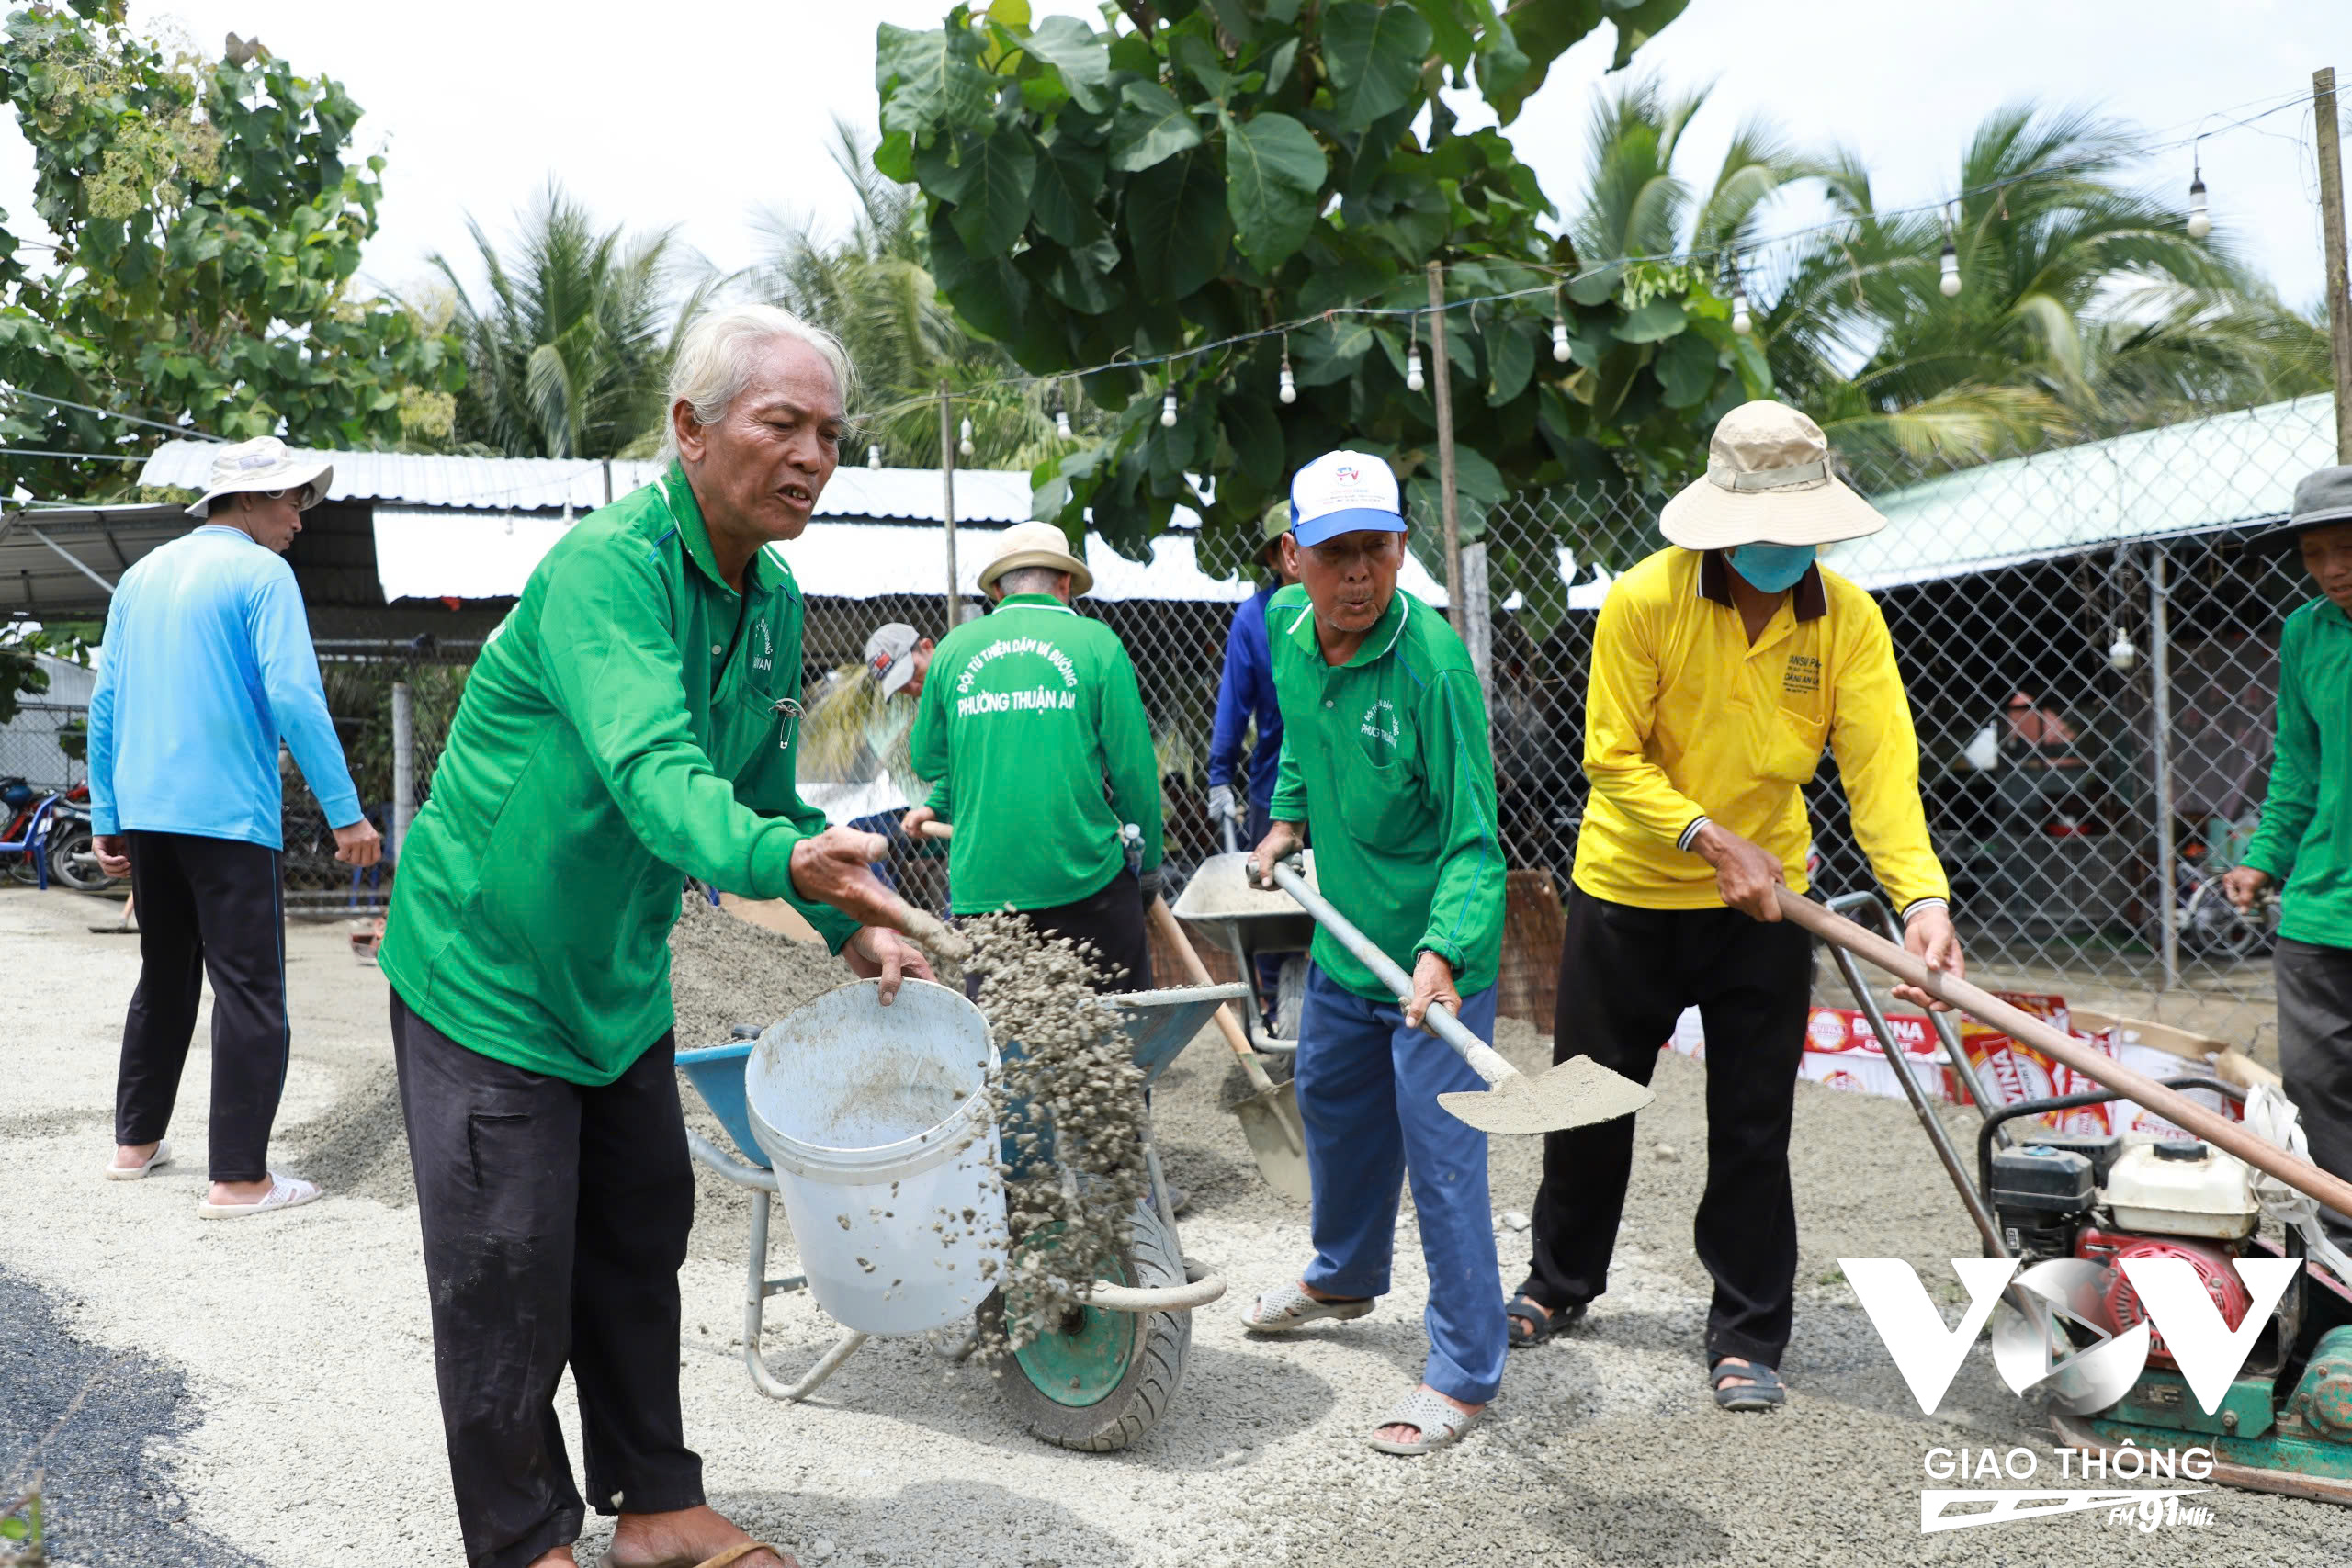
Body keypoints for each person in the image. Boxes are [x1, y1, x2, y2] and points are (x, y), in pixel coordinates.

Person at [378, 304, 935, 1568]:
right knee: (506, 1258)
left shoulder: (774, 600)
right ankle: (524, 1538)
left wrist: (837, 913)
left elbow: (763, 796)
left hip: (613, 975)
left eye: (830, 434)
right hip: (486, 964)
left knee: (638, 1224)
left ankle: (659, 1504)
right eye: (780, 423)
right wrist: (772, 858)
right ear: (689, 428)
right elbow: (656, 770)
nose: (811, 457)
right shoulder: (606, 570)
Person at [1505, 400, 1962, 1414]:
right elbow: (1609, 757)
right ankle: (1559, 1280)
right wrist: (1709, 840)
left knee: (1752, 1122)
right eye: (1760, 530)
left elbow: (1881, 769)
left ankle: (1749, 1327)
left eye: (1798, 530)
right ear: (1718, 522)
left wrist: (1919, 896)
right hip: (1629, 889)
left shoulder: (1847, 620)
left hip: (1764, 910)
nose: (1778, 550)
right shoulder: (1644, 600)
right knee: (1588, 1099)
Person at [1238, 450, 1507, 1457]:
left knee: (1443, 1166)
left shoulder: (1432, 667)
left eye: (1377, 551)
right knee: (1335, 1110)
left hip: (1434, 963)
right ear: (1292, 558)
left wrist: (1443, 952)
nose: (1358, 574)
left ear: (1401, 549)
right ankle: (1343, 1275)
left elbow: (1476, 841)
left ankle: (1464, 1372)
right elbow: (1301, 744)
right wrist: (1283, 823)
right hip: (1349, 954)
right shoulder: (1289, 634)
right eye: (1336, 553)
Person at [87, 436, 381, 1216]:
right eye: (291, 499)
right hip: (227, 818)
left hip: (148, 814)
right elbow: (294, 694)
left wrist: (106, 816)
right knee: (252, 991)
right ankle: (240, 1177)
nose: (299, 517)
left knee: (166, 973)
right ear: (246, 502)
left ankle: (134, 1142)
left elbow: (107, 700)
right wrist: (346, 811)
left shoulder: (141, 577)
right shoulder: (262, 574)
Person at [904, 522, 1164, 992]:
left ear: (998, 589)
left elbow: (928, 761)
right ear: (1065, 583)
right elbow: (1134, 774)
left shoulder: (952, 650)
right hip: (1087, 883)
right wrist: (1148, 869)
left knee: (1005, 1043)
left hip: (983, 895)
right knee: (1119, 1039)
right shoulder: (1098, 644)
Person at [2226, 465, 2352, 1242]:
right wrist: (2265, 855)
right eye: (2314, 554)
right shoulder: (2305, 632)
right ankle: (2341, 1254)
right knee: (2319, 1087)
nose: (2333, 570)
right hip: (2320, 906)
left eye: (2347, 549)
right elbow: (2297, 764)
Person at [1206, 501, 1301, 848]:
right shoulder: (1253, 618)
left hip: (1342, 787)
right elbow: (1234, 706)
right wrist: (1220, 778)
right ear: (1276, 557)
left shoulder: (1346, 608)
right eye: (1289, 546)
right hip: (1275, 785)